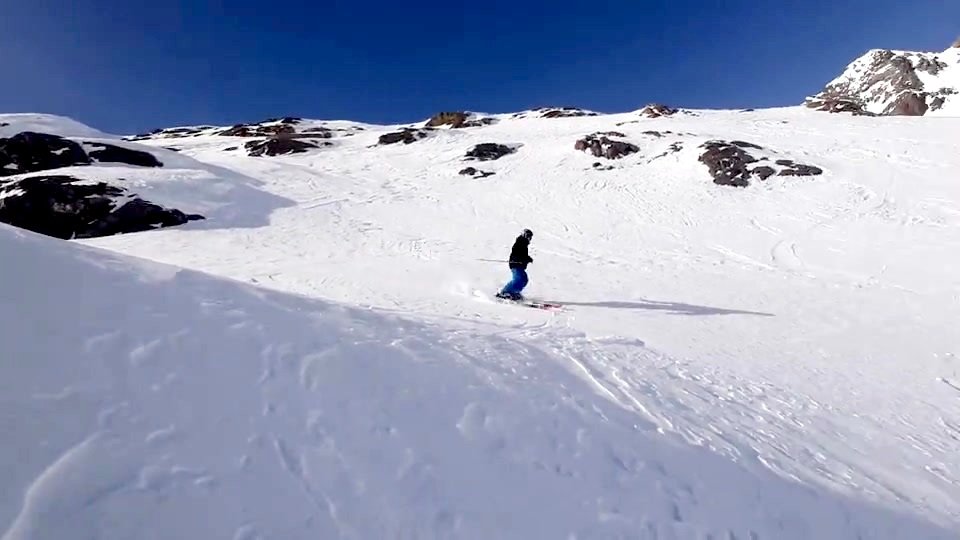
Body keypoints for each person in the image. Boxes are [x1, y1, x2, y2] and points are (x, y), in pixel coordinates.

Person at [496, 228, 534, 300]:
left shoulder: (524, 244)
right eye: (529, 236)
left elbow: (522, 255)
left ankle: (514, 292)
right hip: (515, 264)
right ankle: (505, 292)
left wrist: (528, 258)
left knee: (524, 279)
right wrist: (522, 259)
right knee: (519, 279)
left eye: (530, 237)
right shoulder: (520, 242)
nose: (530, 238)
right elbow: (515, 253)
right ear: (524, 235)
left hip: (519, 265)